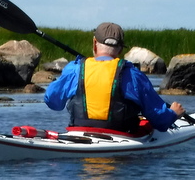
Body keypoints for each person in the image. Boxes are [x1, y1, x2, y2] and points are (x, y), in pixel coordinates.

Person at [44, 22, 185, 133]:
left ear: (94, 43)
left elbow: (52, 102)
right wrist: (173, 113)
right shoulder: (133, 74)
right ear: (121, 49)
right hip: (122, 137)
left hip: (79, 133)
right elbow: (160, 121)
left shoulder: (75, 68)